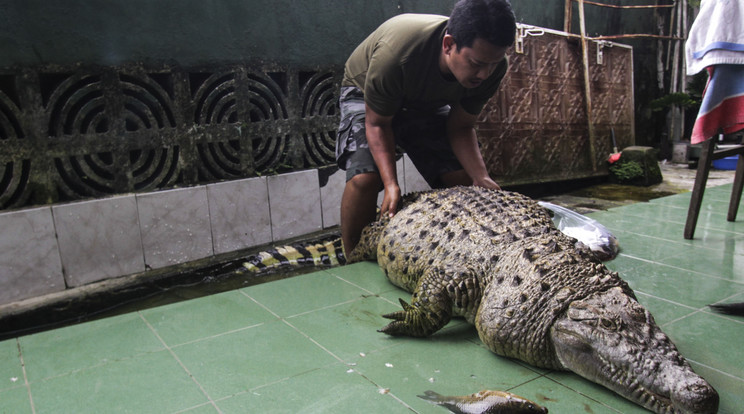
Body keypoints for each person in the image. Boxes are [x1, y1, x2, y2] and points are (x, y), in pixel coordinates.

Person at [335, 0, 516, 256]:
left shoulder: (494, 68)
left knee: (463, 181)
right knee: (366, 179)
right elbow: (377, 124)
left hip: (425, 102)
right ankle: (351, 257)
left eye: (493, 64)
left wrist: (480, 176)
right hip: (365, 91)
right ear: (448, 44)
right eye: (476, 63)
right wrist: (391, 184)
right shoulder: (397, 54)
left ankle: (453, 252)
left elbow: (461, 127)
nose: (485, 74)